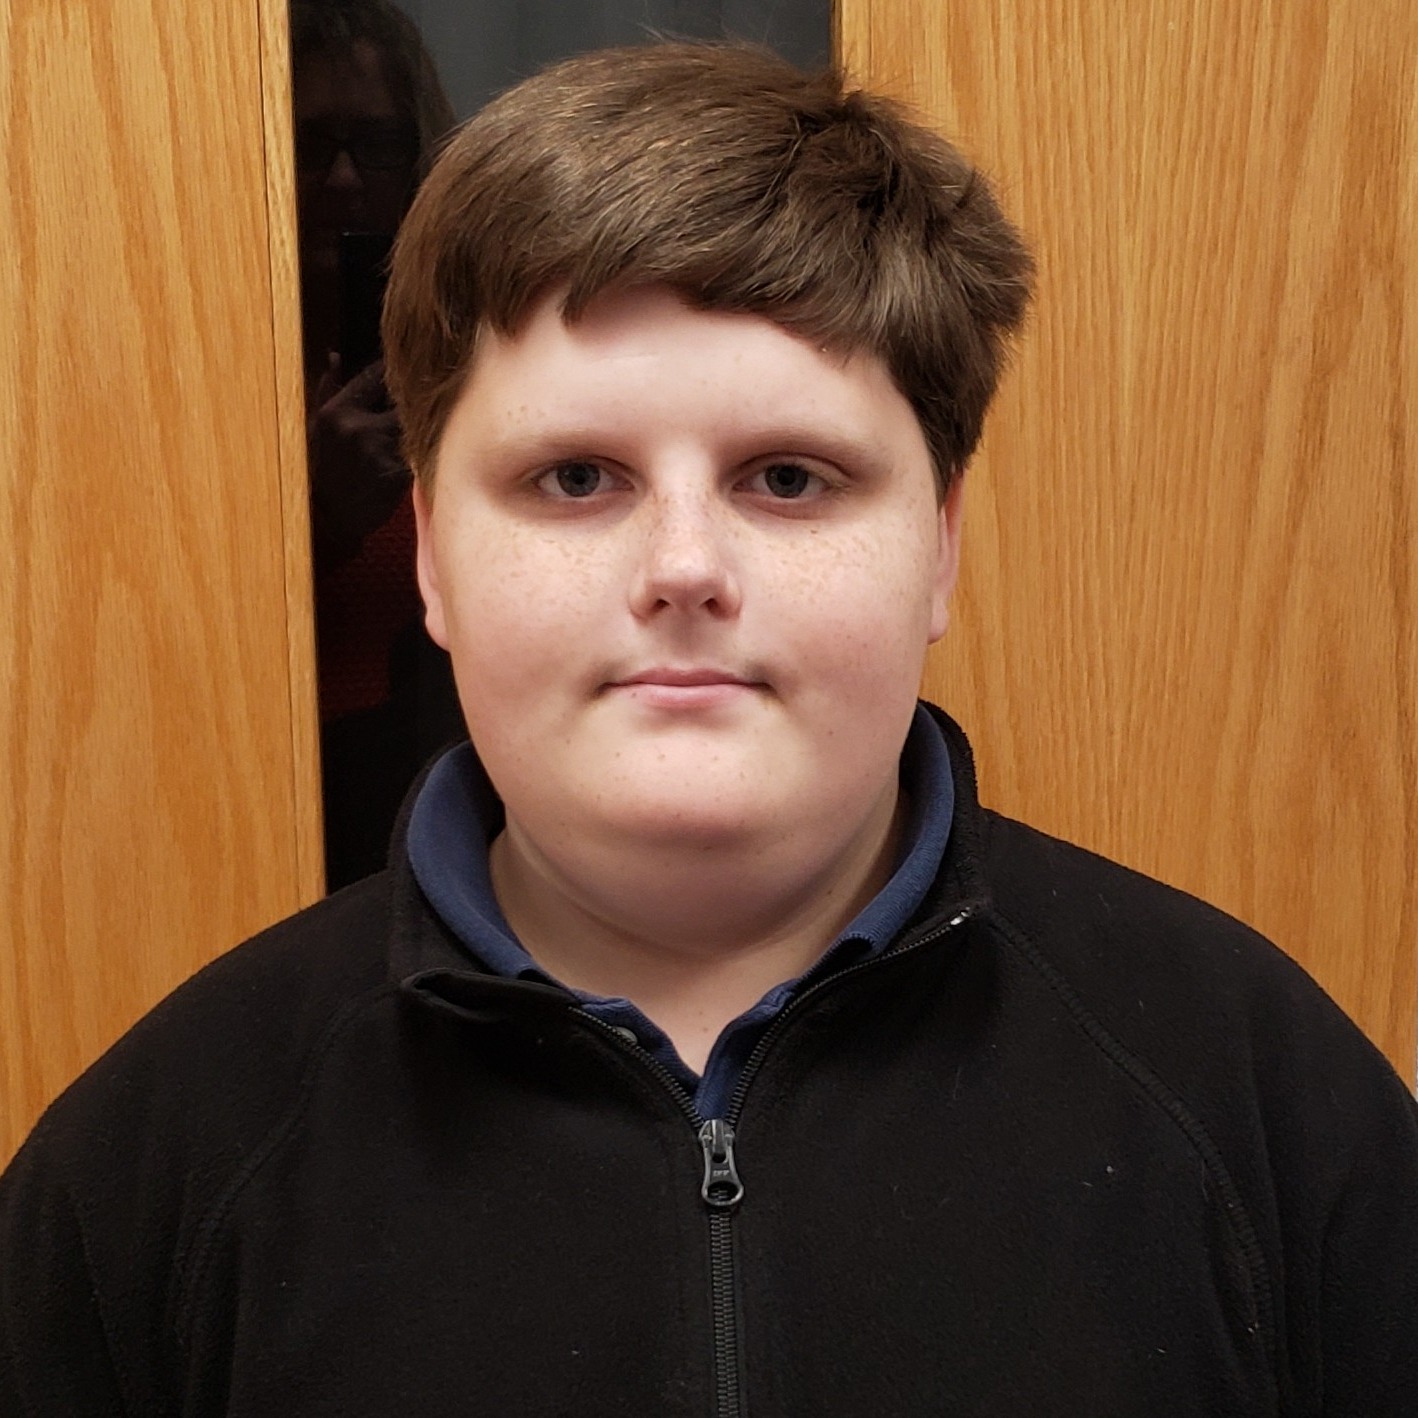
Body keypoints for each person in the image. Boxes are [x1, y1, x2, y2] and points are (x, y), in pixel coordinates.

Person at [3, 41, 1416, 1417]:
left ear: (937, 545)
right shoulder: (156, 1163)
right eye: (573, 477)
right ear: (430, 553)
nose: (684, 565)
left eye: (789, 477)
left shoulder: (1257, 1097)